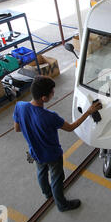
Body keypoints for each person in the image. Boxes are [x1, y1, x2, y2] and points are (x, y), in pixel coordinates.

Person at [13, 75, 102, 212]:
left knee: (41, 173)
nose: (53, 93)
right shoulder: (50, 116)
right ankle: (62, 205)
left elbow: (17, 128)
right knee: (57, 179)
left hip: (34, 152)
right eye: (52, 92)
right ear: (44, 98)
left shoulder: (20, 106)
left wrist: (32, 129)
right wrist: (89, 112)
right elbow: (71, 127)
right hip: (52, 155)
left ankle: (47, 194)